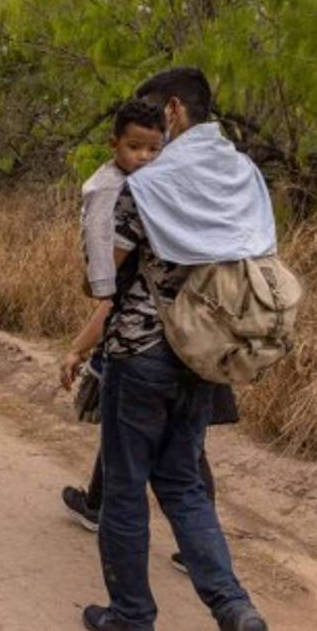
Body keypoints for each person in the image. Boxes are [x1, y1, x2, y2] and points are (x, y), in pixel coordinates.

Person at [85, 67, 274, 631]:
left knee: (125, 485)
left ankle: (132, 617)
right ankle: (235, 608)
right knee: (185, 486)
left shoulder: (149, 182)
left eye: (156, 116)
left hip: (142, 350)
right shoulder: (244, 174)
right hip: (208, 354)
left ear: (172, 109)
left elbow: (101, 276)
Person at [57, 100, 235, 573]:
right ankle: (216, 582)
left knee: (145, 468)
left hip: (148, 348)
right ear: (115, 144)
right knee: (175, 461)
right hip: (200, 343)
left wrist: (79, 343)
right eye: (135, 148)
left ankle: (132, 600)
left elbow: (106, 287)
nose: (144, 157)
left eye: (152, 148)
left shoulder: (136, 197)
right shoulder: (204, 189)